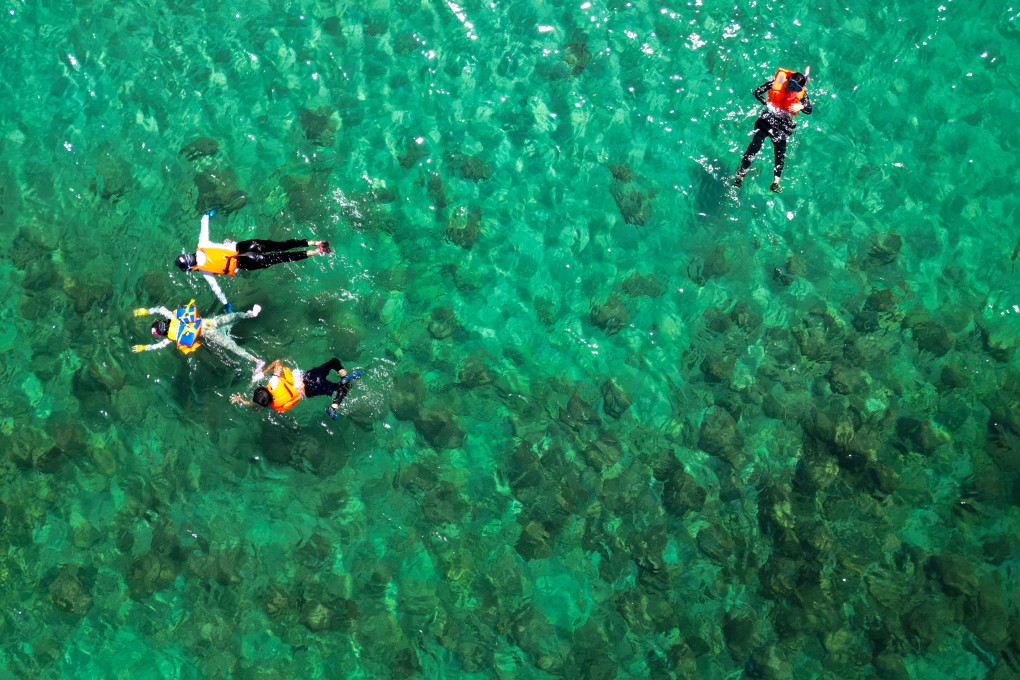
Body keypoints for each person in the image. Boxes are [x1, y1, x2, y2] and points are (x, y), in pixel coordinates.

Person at [174, 211, 333, 311]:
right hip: (246, 246)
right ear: (189, 255)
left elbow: (216, 289)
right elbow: (204, 225)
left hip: (247, 262)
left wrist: (226, 304)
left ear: (190, 266)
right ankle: (314, 242)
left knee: (282, 257)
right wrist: (208, 215)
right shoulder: (202, 245)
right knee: (280, 245)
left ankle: (316, 251)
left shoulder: (204, 270)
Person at [733, 67, 813, 193]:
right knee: (755, 145)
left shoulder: (801, 96)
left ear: (799, 89)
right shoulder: (776, 83)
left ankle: (775, 183)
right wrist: (767, 103)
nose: (790, 88)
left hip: (783, 123)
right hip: (766, 119)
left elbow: (809, 109)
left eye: (795, 88)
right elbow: (757, 92)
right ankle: (740, 176)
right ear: (787, 79)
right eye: (790, 84)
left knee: (780, 152)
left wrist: (801, 105)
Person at [131, 299, 263, 366]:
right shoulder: (172, 316)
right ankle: (248, 314)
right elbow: (161, 308)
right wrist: (146, 311)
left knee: (232, 347)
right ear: (163, 322)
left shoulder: (171, 338)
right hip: (209, 323)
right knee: (233, 317)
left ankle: (255, 360)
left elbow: (157, 346)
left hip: (209, 334)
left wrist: (144, 348)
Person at [230, 358, 362, 417]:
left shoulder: (273, 405)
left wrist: (242, 400)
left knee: (342, 388)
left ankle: (334, 407)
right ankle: (344, 377)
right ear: (263, 389)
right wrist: (263, 373)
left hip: (309, 392)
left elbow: (256, 407)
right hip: (309, 378)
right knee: (334, 362)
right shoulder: (273, 383)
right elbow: (277, 362)